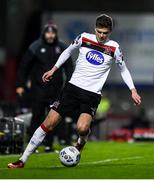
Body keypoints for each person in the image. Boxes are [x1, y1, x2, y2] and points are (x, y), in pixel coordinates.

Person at [8, 14, 141, 168]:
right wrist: (54, 69)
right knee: (48, 123)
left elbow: (123, 70)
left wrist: (133, 90)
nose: (102, 35)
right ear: (95, 29)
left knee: (82, 128)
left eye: (105, 33)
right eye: (99, 31)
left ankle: (81, 142)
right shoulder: (84, 38)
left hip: (92, 94)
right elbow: (67, 52)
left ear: (110, 31)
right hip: (72, 89)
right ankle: (22, 159)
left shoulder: (114, 48)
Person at [15, 21, 73, 152]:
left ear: (56, 34)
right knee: (37, 116)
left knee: (51, 118)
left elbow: (69, 66)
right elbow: (24, 66)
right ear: (44, 33)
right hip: (38, 89)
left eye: (53, 33)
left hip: (56, 89)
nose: (50, 35)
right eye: (48, 32)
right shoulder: (36, 46)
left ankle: (49, 145)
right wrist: (20, 84)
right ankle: (32, 144)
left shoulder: (62, 47)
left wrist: (70, 84)